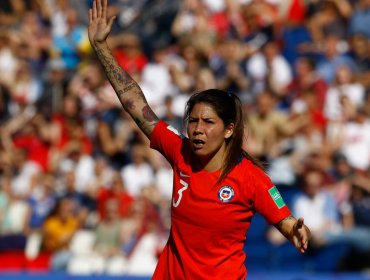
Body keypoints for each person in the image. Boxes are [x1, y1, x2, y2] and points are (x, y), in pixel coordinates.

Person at [88, 1, 311, 278]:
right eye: (193, 121)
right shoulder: (179, 150)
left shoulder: (251, 179)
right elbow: (134, 102)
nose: (197, 129)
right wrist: (101, 47)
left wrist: (298, 231)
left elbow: (287, 221)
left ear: (229, 129)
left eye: (208, 122)